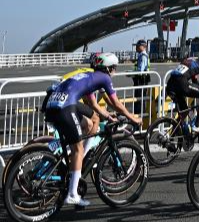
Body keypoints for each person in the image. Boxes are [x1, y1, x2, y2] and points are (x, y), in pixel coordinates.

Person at [43, 54, 142, 207]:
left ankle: (76, 162)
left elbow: (94, 105)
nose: (114, 71)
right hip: (65, 106)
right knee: (78, 149)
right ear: (109, 68)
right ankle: (72, 194)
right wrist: (132, 117)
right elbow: (115, 103)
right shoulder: (105, 78)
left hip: (53, 103)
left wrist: (108, 116)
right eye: (114, 68)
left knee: (90, 123)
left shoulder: (89, 76)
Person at [165, 45, 199, 135]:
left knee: (185, 111)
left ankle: (170, 134)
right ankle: (196, 125)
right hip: (181, 82)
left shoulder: (192, 59)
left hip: (171, 83)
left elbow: (194, 80)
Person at [132, 40, 152, 115]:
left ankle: (139, 115)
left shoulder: (143, 56)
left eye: (138, 46)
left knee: (140, 98)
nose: (136, 48)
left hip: (141, 80)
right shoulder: (141, 55)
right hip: (141, 80)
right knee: (139, 98)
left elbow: (140, 70)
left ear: (143, 47)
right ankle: (138, 114)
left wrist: (132, 73)